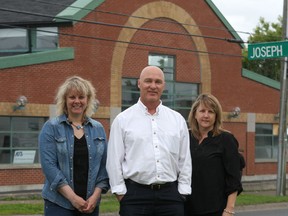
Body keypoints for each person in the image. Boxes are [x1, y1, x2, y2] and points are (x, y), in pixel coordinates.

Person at [106, 65, 192, 216]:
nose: (153, 86)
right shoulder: (122, 120)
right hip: (135, 197)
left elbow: (184, 160)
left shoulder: (177, 120)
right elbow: (114, 161)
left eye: (158, 82)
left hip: (170, 197)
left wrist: (182, 191)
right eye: (148, 81)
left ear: (163, 86)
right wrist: (121, 193)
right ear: (139, 84)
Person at [39, 76, 109, 216]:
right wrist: (73, 198)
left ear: (88, 100)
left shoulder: (98, 128)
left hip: (90, 204)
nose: (77, 101)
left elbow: (104, 166)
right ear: (65, 100)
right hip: (59, 204)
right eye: (72, 97)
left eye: (81, 97)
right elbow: (49, 166)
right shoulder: (51, 127)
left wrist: (95, 196)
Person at [185, 93, 243, 216]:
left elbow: (234, 178)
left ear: (216, 116)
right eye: (202, 111)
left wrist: (229, 210)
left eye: (211, 112)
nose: (206, 115)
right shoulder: (185, 137)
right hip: (186, 208)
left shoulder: (226, 139)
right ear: (195, 114)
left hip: (215, 209)